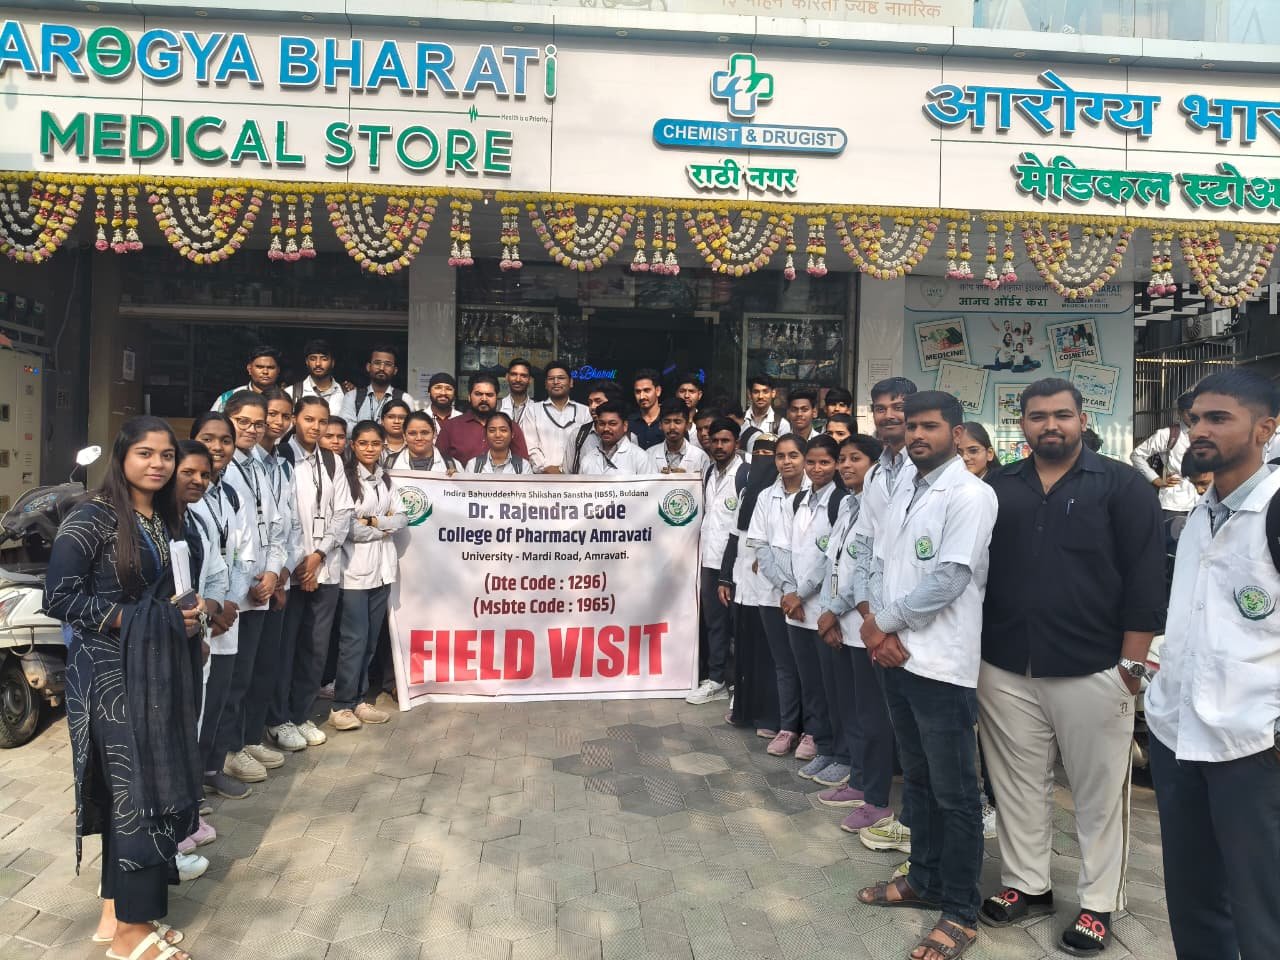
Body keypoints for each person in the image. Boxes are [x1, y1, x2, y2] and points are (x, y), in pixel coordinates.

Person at [978, 378, 1165, 956]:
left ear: (1084, 420)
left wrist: (1132, 664)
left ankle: (1098, 903)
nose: (1050, 425)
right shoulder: (998, 487)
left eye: (1062, 415)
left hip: (1094, 666)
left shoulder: (1123, 485)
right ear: (1022, 424)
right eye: (1038, 416)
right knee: (1016, 785)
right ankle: (1027, 885)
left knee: (1098, 794)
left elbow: (1146, 576)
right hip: (1006, 664)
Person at [45, 417, 208, 960]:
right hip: (111, 676)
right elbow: (59, 597)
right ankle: (130, 936)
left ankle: (117, 913)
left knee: (142, 791)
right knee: (137, 793)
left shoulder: (167, 516)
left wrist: (191, 616)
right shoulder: (92, 516)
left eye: (166, 455)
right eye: (145, 453)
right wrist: (139, 619)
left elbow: (174, 589)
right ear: (121, 456)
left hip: (158, 668)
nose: (158, 464)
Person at [855, 391, 999, 960]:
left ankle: (960, 910)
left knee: (956, 793)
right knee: (916, 780)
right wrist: (877, 627)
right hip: (895, 656)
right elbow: (877, 562)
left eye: (929, 426)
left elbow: (950, 579)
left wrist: (882, 625)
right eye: (911, 425)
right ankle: (924, 878)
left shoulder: (970, 494)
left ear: (957, 433)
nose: (916, 434)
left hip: (940, 664)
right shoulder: (904, 489)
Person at [1143, 370, 1280, 960]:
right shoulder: (1200, 513)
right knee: (1193, 897)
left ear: (1265, 429)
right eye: (1195, 418)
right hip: (1178, 735)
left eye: (1219, 418)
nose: (1199, 430)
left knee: (1263, 906)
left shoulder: (1273, 509)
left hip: (1254, 745)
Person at [851, 376, 919, 857]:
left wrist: (888, 623)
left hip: (921, 621)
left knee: (925, 733)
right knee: (898, 725)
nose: (890, 415)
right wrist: (873, 619)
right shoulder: (877, 474)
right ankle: (903, 817)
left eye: (899, 406)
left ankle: (920, 823)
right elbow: (868, 547)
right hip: (882, 623)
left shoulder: (930, 469)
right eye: (881, 408)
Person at [816, 434, 898, 835]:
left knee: (873, 716)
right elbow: (836, 564)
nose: (846, 465)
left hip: (866, 624)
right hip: (846, 624)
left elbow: (862, 572)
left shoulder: (878, 506)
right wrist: (831, 612)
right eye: (843, 459)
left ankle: (875, 795)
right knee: (855, 710)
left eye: (856, 459)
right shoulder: (849, 504)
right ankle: (860, 779)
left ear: (875, 466)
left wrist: (834, 610)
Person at [271, 395, 354, 750]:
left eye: (322, 421)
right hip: (290, 571)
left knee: (315, 648)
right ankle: (278, 719)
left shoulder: (332, 460)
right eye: (309, 419)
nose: (316, 427)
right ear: (295, 419)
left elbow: (344, 512)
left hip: (325, 567)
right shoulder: (280, 457)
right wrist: (301, 562)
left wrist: (318, 555)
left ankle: (301, 713)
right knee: (285, 648)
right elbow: (280, 515)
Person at [217, 391, 290, 785]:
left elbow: (276, 526)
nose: (252, 429)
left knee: (254, 672)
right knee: (231, 678)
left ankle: (246, 739)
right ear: (227, 419)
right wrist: (249, 582)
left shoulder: (259, 466)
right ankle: (227, 750)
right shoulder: (220, 470)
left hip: (261, 586)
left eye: (258, 423)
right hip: (234, 594)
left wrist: (273, 573)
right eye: (243, 421)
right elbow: (228, 540)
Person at [188, 413, 256, 801]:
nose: (217, 447)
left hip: (227, 611)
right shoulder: (183, 495)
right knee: (195, 701)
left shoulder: (228, 494)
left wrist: (229, 602)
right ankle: (189, 782)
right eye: (208, 438)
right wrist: (211, 609)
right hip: (199, 614)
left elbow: (244, 552)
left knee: (222, 695)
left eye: (225, 440)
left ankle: (212, 769)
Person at [778, 435, 848, 786]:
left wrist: (802, 593)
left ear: (836, 464)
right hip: (796, 610)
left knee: (833, 687)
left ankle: (842, 754)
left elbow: (830, 559)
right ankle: (823, 746)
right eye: (812, 462)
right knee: (811, 686)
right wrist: (790, 592)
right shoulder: (800, 500)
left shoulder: (841, 502)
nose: (817, 468)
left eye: (825, 462)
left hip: (823, 611)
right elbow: (791, 551)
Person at [172, 440, 229, 859]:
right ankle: (171, 830)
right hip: (161, 646)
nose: (198, 481)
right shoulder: (154, 524)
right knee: (168, 738)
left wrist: (205, 620)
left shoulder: (195, 520)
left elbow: (215, 574)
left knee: (189, 729)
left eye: (204, 475)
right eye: (188, 472)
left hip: (196, 641)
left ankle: (186, 815)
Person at [331, 421, 406, 730]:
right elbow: (349, 529)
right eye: (363, 443)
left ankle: (360, 700)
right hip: (353, 573)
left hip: (382, 571)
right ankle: (342, 705)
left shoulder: (385, 479)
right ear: (353, 445)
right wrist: (383, 525)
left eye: (376, 444)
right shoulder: (346, 480)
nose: (370, 449)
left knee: (371, 640)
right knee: (353, 639)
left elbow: (402, 519)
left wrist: (372, 521)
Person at [748, 434, 813, 759]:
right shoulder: (766, 496)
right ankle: (788, 727)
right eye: (780, 456)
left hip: (807, 596)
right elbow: (762, 547)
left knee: (809, 666)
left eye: (793, 455)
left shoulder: (815, 494)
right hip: (774, 594)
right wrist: (787, 588)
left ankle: (812, 730)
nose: (786, 461)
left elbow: (815, 551)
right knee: (784, 665)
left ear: (804, 458)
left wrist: (797, 591)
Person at [721, 435, 781, 735]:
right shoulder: (746, 492)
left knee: (766, 654)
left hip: (768, 589)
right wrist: (724, 576)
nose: (763, 459)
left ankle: (769, 717)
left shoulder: (778, 495)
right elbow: (734, 536)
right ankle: (743, 710)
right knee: (744, 651)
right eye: (758, 453)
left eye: (770, 453)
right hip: (743, 585)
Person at [686, 418, 747, 703]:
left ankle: (741, 685)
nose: (719, 446)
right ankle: (717, 680)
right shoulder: (710, 472)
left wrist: (729, 571)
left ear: (737, 443)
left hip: (736, 563)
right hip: (709, 561)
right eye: (715, 441)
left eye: (726, 441)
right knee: (715, 624)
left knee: (739, 627)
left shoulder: (745, 474)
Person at [1130, 392, 1198, 520]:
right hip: (1174, 503)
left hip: (1202, 503)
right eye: (1190, 413)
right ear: (1180, 412)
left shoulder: (1210, 434)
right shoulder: (1167, 434)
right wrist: (1155, 479)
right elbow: (1137, 455)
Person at [438, 372, 530, 465]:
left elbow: (523, 465)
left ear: (497, 398)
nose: (484, 399)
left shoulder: (511, 427)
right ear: (469, 397)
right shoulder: (451, 427)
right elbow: (438, 463)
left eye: (489, 395)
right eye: (478, 394)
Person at [526, 361, 590, 473]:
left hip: (577, 477)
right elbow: (530, 446)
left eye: (561, 378)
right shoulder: (533, 410)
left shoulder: (585, 412)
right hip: (543, 476)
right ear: (545, 384)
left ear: (571, 382)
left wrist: (570, 470)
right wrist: (545, 468)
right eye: (551, 379)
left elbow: (588, 446)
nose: (556, 382)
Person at [340, 345, 417, 423]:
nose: (382, 368)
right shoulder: (352, 397)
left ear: (395, 370)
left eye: (388, 364)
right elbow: (347, 427)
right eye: (377, 363)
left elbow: (409, 427)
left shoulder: (405, 399)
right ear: (368, 367)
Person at [563, 380, 623, 474]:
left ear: (612, 403)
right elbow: (567, 473)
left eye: (598, 401)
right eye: (590, 402)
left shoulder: (628, 436)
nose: (592, 407)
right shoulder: (578, 435)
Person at [577, 401, 651, 475]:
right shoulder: (587, 459)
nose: (606, 429)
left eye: (612, 424)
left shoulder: (640, 458)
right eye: (602, 424)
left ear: (625, 426)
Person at [211, 345, 283, 412]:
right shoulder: (228, 398)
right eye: (259, 367)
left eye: (271, 368)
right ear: (249, 369)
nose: (265, 372)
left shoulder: (287, 397)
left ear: (278, 370)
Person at [649, 400, 711, 474]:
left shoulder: (701, 457)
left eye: (677, 422)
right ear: (660, 425)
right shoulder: (649, 455)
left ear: (687, 425)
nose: (672, 427)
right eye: (667, 422)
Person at [290, 339, 345, 416]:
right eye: (313, 359)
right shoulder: (292, 393)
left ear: (333, 362)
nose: (318, 363)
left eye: (324, 359)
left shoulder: (346, 393)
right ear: (307, 362)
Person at [627, 368, 665, 450]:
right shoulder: (629, 422)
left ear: (658, 391)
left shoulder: (669, 419)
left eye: (647, 390)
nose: (642, 396)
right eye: (638, 392)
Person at [499, 358, 534, 427]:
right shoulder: (497, 407)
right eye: (514, 374)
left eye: (523, 376)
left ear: (530, 380)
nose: (518, 379)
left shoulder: (537, 409)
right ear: (507, 377)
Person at [379, 399, 412, 469]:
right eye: (391, 417)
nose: (396, 421)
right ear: (382, 421)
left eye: (402, 418)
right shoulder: (375, 444)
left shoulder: (415, 445)